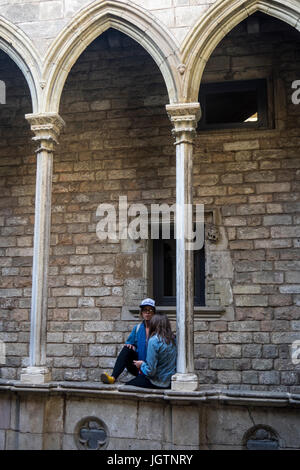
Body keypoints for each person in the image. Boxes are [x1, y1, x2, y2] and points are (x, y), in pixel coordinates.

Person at [101, 298, 156, 384]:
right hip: (138, 366)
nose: (147, 312)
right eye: (145, 310)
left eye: (150, 310)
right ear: (141, 313)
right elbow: (130, 342)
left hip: (152, 367)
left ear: (154, 313)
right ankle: (113, 377)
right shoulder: (137, 328)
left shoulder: (158, 329)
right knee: (126, 349)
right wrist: (130, 345)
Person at [126, 313, 176, 389]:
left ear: (154, 325)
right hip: (170, 382)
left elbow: (150, 371)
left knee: (126, 386)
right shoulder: (174, 339)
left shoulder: (154, 341)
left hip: (157, 382)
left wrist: (142, 364)